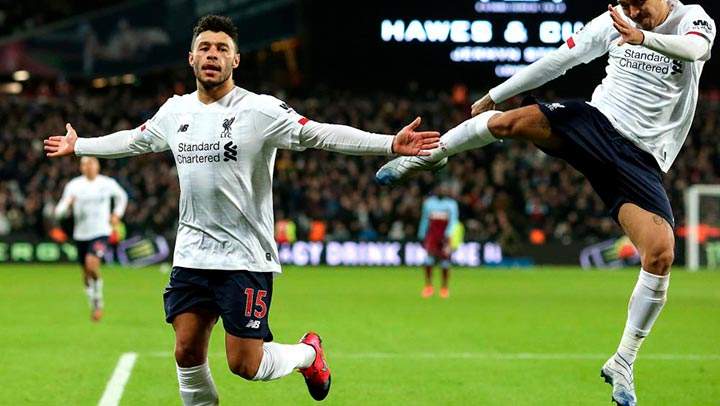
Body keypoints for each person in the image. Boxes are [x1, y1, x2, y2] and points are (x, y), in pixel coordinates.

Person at [44, 14, 439, 405]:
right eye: (204, 48)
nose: (212, 54)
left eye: (222, 49)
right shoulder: (175, 111)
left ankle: (307, 354)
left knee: (245, 364)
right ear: (191, 58)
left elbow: (318, 133)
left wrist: (389, 143)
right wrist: (80, 146)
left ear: (235, 59)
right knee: (186, 351)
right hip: (192, 253)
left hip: (244, 255)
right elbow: (135, 140)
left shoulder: (259, 110)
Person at [376, 1, 714, 404]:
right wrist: (496, 94)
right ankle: (429, 155)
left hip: (641, 158)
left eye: (637, 4)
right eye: (625, 3)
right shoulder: (613, 20)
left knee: (660, 254)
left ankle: (623, 361)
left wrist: (642, 37)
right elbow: (558, 60)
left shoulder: (692, 18)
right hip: (596, 123)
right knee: (509, 121)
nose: (631, 11)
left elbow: (696, 49)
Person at [54, 157, 128, 322]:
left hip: (101, 232)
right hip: (81, 234)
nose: (88, 167)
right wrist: (67, 205)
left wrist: (117, 214)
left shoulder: (107, 183)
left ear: (97, 166)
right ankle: (93, 303)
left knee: (91, 264)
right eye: (85, 164)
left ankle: (98, 301)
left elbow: (122, 197)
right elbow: (58, 212)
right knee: (85, 273)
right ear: (81, 167)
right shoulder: (74, 185)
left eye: (91, 163)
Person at [417, 185, 459, 298]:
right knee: (429, 260)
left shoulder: (451, 204)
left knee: (445, 261)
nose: (441, 191)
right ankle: (428, 287)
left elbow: (454, 221)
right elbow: (424, 220)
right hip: (432, 236)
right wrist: (421, 235)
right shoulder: (429, 203)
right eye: (439, 189)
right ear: (435, 190)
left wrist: (448, 235)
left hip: (445, 236)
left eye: (443, 189)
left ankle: (444, 288)